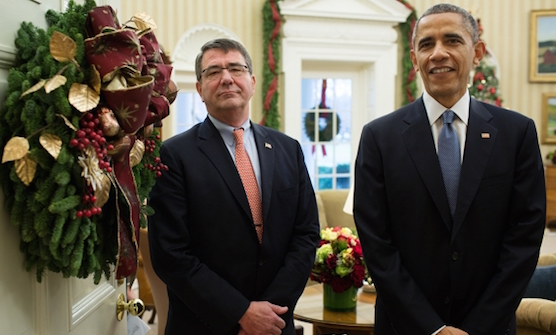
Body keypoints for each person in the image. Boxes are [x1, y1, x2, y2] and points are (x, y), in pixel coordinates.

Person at [353, 3, 546, 335]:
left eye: (452, 40)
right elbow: (376, 244)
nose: (438, 53)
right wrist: (433, 329)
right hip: (406, 326)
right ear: (414, 59)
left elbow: (524, 240)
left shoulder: (516, 134)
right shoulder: (379, 138)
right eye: (426, 44)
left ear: (477, 52)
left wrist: (478, 327)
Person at [148, 38, 319, 335]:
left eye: (236, 69)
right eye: (213, 72)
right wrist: (240, 314)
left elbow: (305, 235)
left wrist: (269, 311)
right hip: (205, 324)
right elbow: (170, 253)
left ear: (251, 82)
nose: (226, 78)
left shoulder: (288, 149)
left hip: (275, 325)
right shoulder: (174, 156)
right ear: (200, 89)